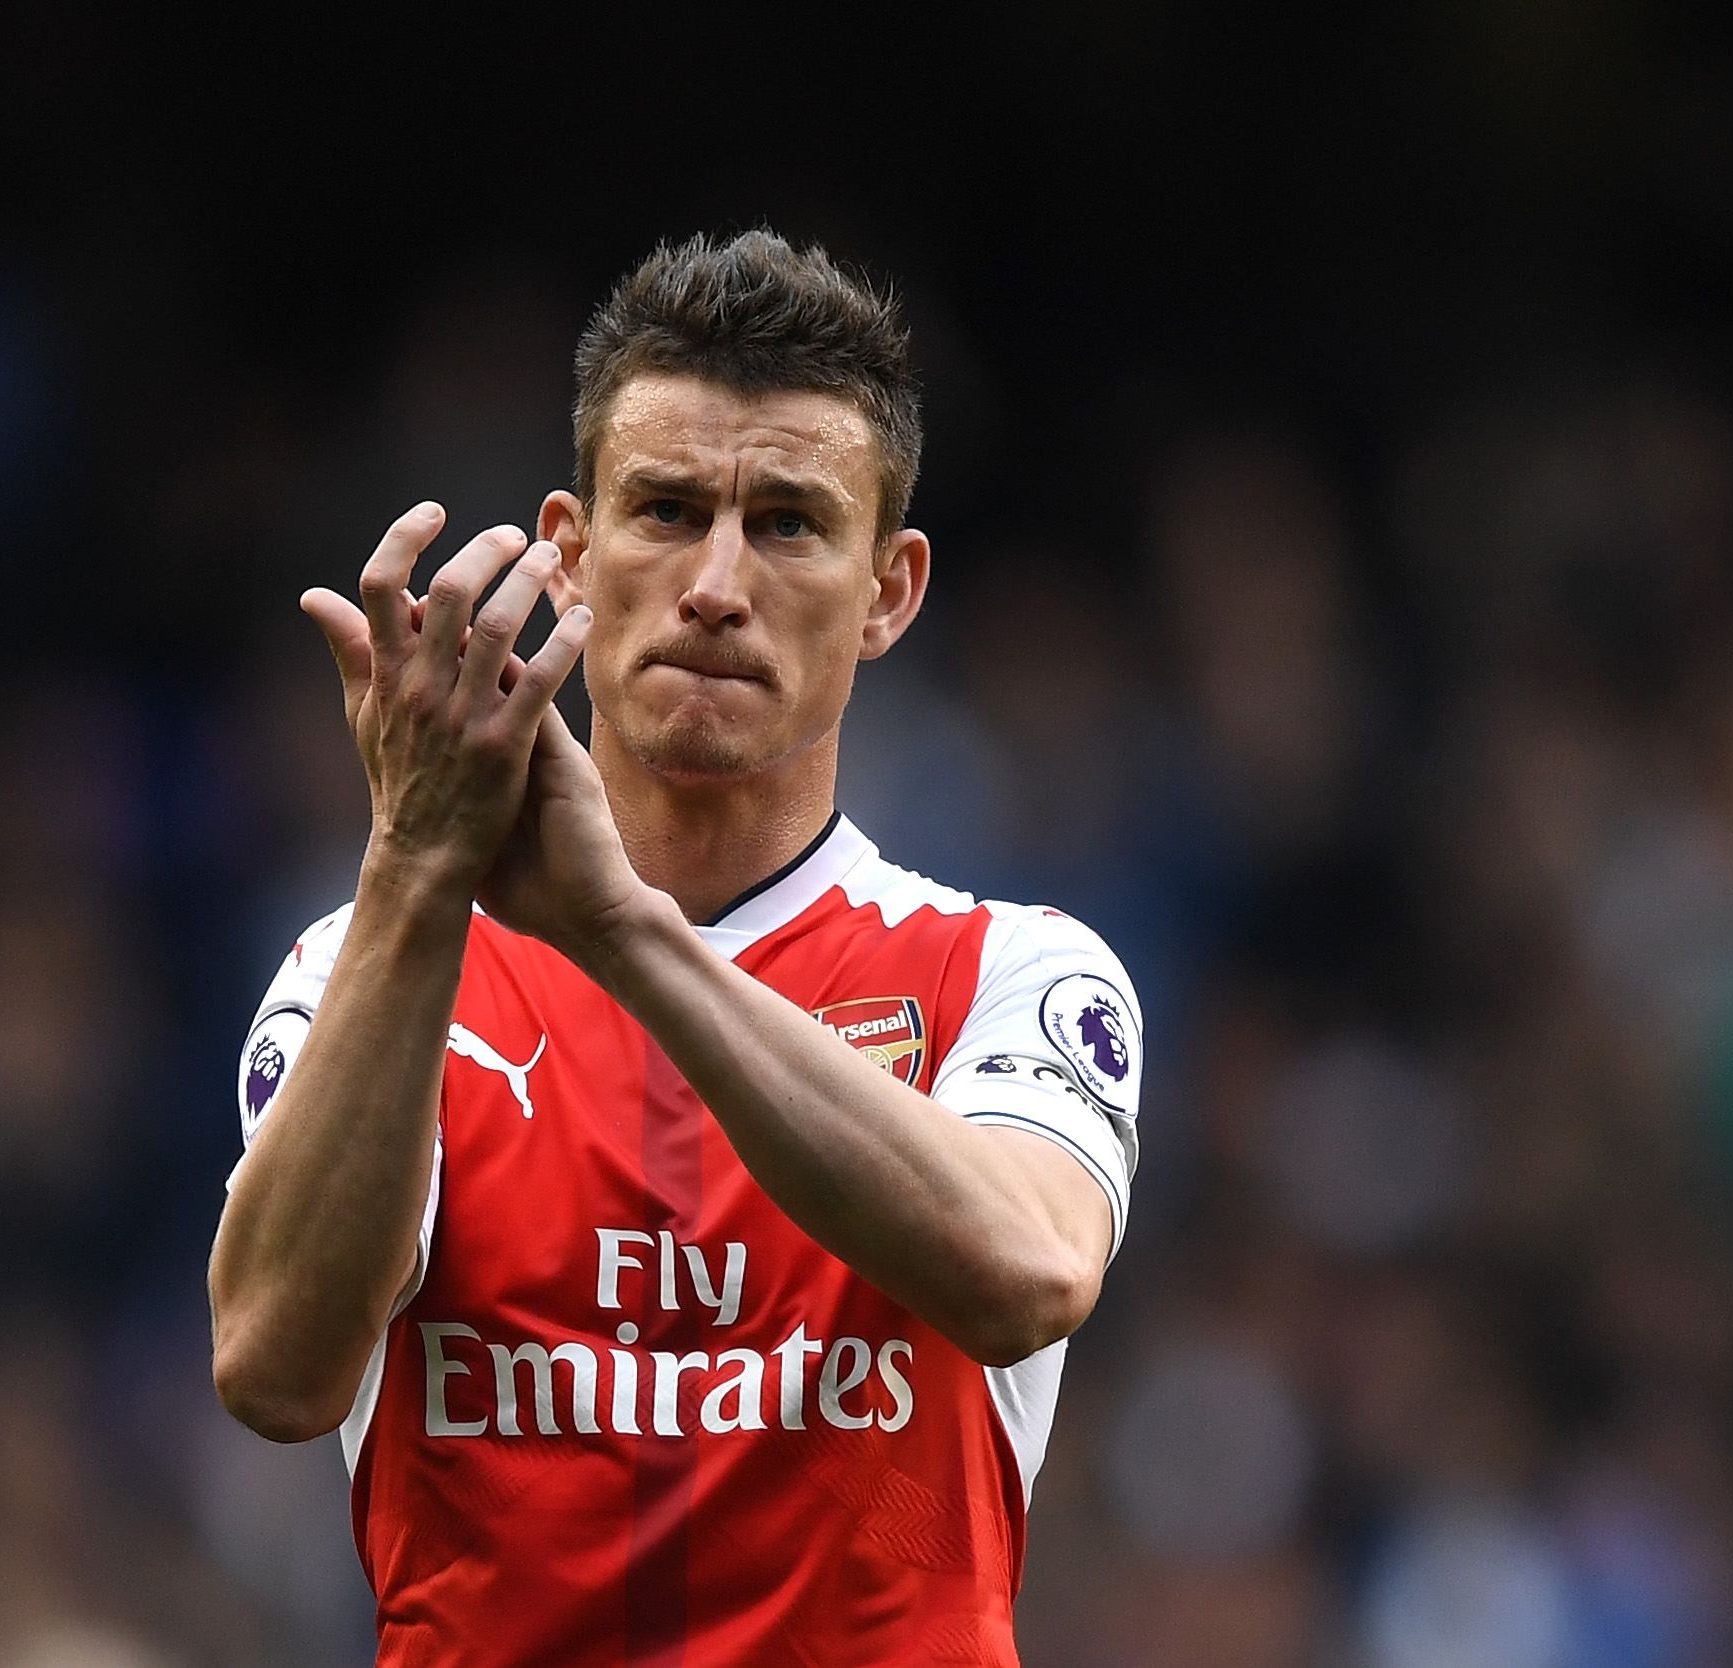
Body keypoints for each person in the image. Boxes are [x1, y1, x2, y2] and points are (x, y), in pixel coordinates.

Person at [208, 231, 1142, 1666]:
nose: (715, 582)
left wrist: (623, 934)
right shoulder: (365, 974)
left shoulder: (1008, 972)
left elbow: (1022, 1273)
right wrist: (412, 867)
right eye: (663, 509)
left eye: (785, 522)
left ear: (888, 589)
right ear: (571, 553)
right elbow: (272, 1367)